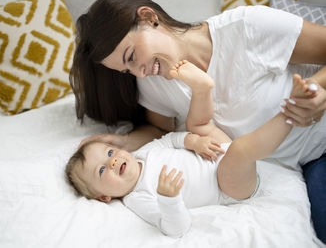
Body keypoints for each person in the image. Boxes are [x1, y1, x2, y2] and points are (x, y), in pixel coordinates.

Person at [69, 0, 326, 242]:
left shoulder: (247, 27)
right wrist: (122, 142)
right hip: (296, 166)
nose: (139, 73)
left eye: (132, 57)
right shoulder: (153, 83)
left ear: (148, 17)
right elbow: (161, 130)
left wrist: (314, 90)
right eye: (128, 70)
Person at [66, 61, 315, 237]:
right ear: (104, 197)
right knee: (240, 150)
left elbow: (172, 139)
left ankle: (201, 89)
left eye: (109, 153)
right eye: (101, 171)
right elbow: (176, 228)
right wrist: (169, 199)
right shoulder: (137, 198)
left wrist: (194, 142)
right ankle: (290, 113)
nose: (111, 162)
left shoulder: (144, 153)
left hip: (214, 151)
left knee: (198, 126)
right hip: (227, 185)